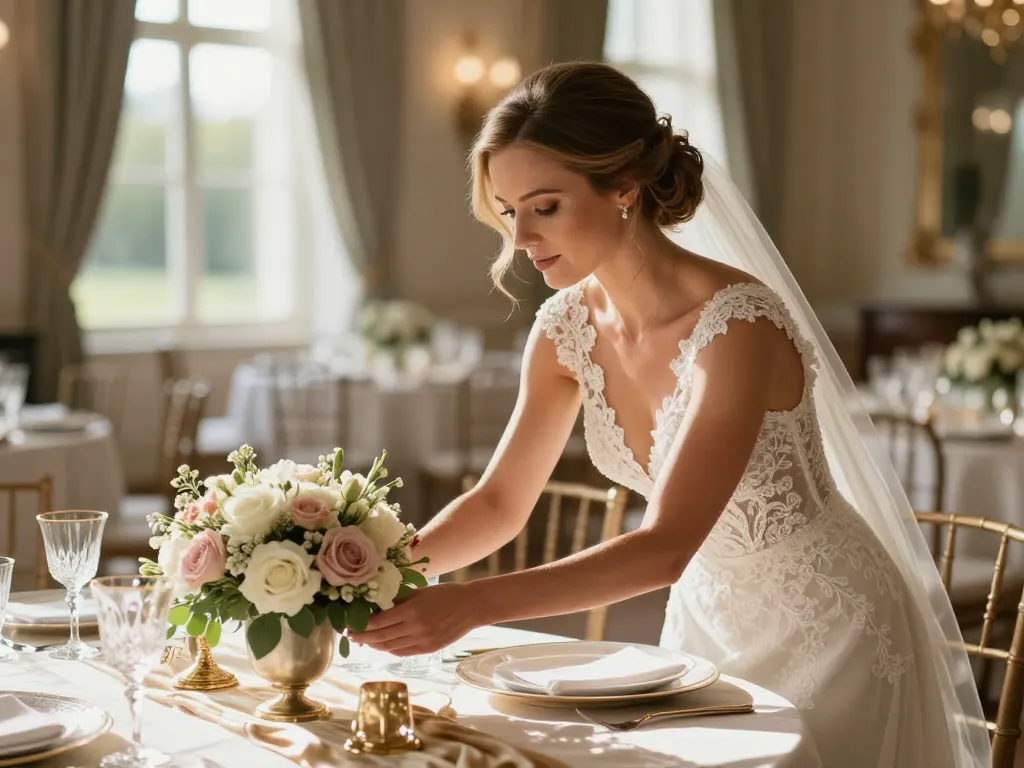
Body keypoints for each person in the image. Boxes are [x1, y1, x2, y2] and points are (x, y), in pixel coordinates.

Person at [352, 62, 990, 766]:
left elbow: (664, 546)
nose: (523, 238)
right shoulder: (563, 329)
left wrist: (470, 604)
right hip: (702, 626)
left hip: (832, 629)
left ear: (623, 186)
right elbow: (502, 502)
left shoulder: (737, 326)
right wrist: (377, 569)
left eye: (546, 206)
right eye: (509, 211)